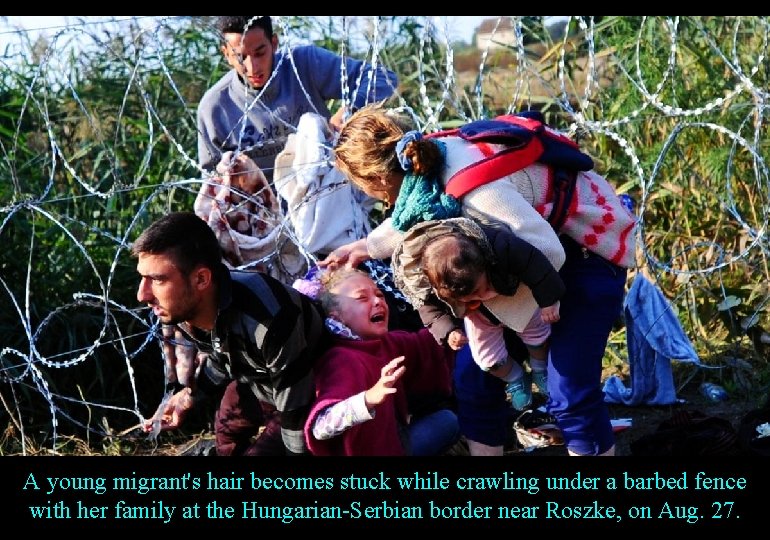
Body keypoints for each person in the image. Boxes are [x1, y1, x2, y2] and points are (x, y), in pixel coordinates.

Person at [322, 103, 636, 456]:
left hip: (583, 249)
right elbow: (413, 218)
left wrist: (481, 303)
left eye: (359, 186)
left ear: (378, 181)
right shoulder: (422, 166)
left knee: (569, 388)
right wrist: (365, 247)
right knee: (473, 378)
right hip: (515, 259)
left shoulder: (476, 194)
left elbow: (547, 252)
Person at [133, 211, 328, 456]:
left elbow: (295, 404)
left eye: (157, 280)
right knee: (226, 430)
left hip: (308, 388)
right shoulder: (188, 308)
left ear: (201, 279)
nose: (142, 295)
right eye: (142, 278)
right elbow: (219, 357)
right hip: (257, 379)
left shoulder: (268, 320)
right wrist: (190, 396)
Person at [391, 216, 565, 411]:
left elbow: (535, 265)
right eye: (472, 294)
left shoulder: (500, 247)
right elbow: (429, 310)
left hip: (516, 299)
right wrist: (448, 331)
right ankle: (515, 377)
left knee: (537, 334)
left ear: (484, 262)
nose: (484, 295)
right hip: (476, 316)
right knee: (487, 359)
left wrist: (548, 300)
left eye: (483, 287)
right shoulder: (425, 286)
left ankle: (540, 368)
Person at [198, 16, 399, 181]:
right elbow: (211, 180)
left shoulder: (303, 65)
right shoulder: (215, 108)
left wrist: (349, 111)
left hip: (326, 192)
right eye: (241, 57)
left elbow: (383, 79)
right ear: (226, 54)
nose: (253, 68)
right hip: (260, 217)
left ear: (274, 43)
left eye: (260, 53)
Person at [302, 267, 459, 456]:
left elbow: (425, 343)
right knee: (448, 422)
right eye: (362, 298)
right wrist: (368, 399)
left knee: (446, 420)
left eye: (379, 294)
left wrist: (449, 331)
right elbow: (320, 428)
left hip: (393, 439)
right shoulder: (341, 360)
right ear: (337, 317)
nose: (378, 301)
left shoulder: (383, 343)